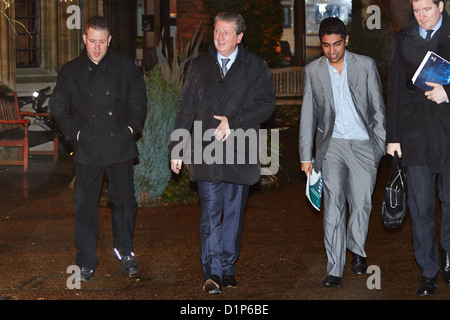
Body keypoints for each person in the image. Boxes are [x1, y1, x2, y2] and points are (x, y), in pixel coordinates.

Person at [169, 12, 275, 294]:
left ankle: (227, 268)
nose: (219, 37)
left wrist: (235, 120)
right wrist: (177, 148)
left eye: (226, 32)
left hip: (240, 153)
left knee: (233, 215)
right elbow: (185, 110)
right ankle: (212, 272)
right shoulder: (199, 66)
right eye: (217, 31)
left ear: (239, 37)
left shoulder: (255, 66)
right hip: (206, 153)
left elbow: (266, 105)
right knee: (210, 213)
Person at [50, 16, 147, 282]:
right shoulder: (70, 71)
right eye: (92, 41)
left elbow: (138, 97)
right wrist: (74, 133)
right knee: (85, 207)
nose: (97, 47)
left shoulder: (125, 66)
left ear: (109, 40)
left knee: (125, 203)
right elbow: (57, 105)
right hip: (88, 146)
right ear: (84, 39)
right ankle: (85, 261)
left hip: (119, 144)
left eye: (102, 42)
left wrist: (130, 128)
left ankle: (125, 252)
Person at [299, 17, 386, 287]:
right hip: (332, 145)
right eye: (326, 45)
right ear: (321, 45)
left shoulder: (365, 65)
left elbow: (377, 108)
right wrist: (305, 155)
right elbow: (308, 114)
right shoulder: (313, 70)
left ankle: (357, 249)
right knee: (333, 204)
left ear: (346, 41)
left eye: (337, 44)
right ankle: (334, 269)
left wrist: (379, 147)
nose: (332, 51)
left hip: (362, 144)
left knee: (361, 203)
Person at [386, 0, 450, 296]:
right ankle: (428, 270)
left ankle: (449, 257)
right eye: (416, 11)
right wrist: (393, 136)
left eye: (427, 9)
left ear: (441, 5)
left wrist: (447, 92)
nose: (421, 16)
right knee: (420, 205)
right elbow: (395, 88)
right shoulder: (402, 40)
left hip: (448, 132)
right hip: (415, 135)